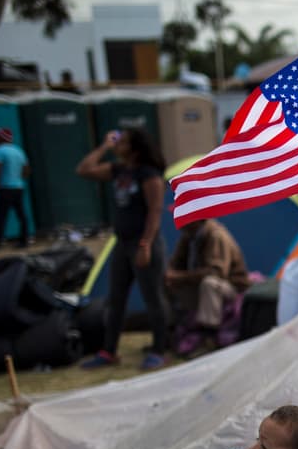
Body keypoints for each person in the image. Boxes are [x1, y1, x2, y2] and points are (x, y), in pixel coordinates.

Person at [76, 128, 170, 370]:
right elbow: (83, 170)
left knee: (153, 298)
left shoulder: (148, 174)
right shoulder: (118, 171)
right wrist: (104, 146)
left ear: (135, 147)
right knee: (116, 299)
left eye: (123, 142)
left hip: (143, 243)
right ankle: (109, 351)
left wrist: (145, 245)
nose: (118, 145)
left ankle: (160, 350)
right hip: (121, 243)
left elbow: (155, 212)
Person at [167, 218, 250, 354]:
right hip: (199, 284)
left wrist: (181, 277)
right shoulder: (189, 236)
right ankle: (171, 330)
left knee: (209, 283)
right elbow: (176, 263)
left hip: (232, 286)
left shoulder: (215, 235)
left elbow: (217, 272)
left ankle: (208, 336)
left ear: (197, 219)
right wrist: (171, 275)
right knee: (170, 284)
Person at [0, 128, 30, 249]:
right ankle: (24, 241)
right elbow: (27, 169)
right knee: (21, 215)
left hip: (6, 187)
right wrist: (18, 179)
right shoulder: (19, 151)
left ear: (2, 138)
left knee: (1, 215)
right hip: (18, 187)